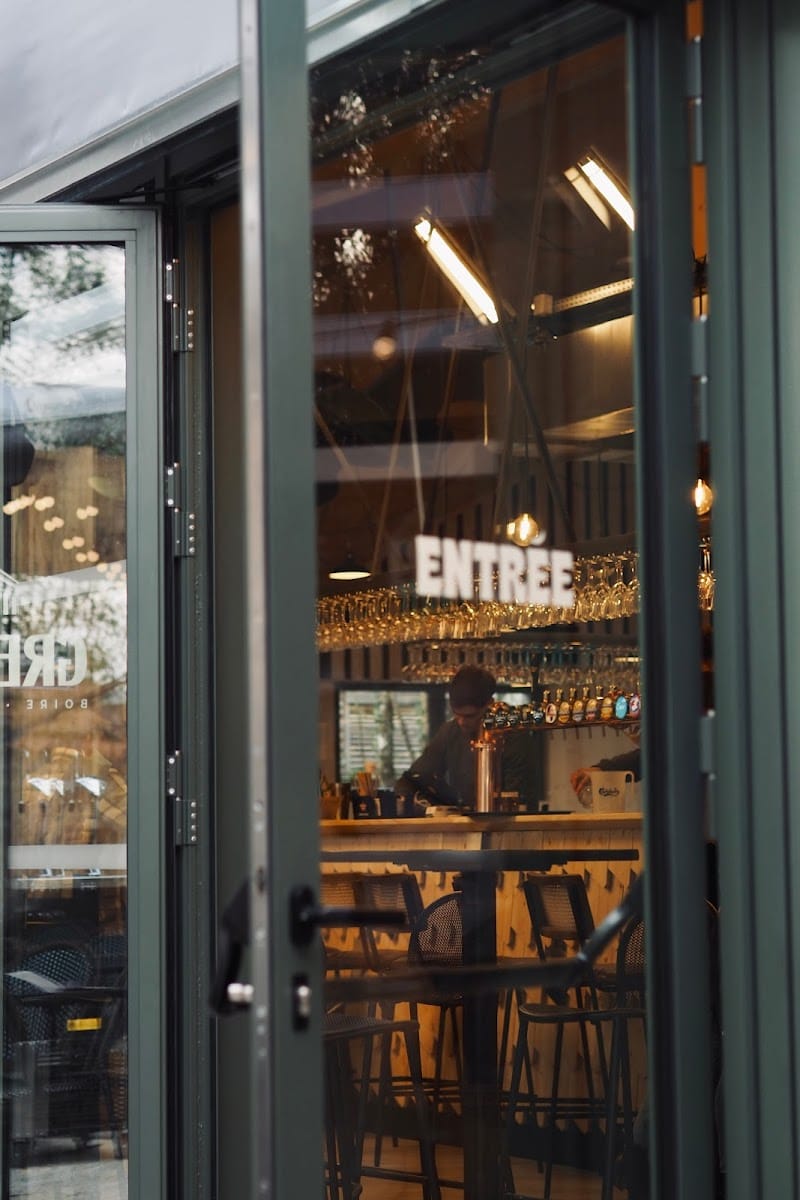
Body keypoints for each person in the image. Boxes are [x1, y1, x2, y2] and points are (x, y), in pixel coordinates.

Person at [395, 664, 542, 811]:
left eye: (469, 716)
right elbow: (412, 779)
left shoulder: (513, 735)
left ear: (489, 704)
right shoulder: (450, 731)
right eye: (456, 714)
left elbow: (519, 798)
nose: (461, 722)